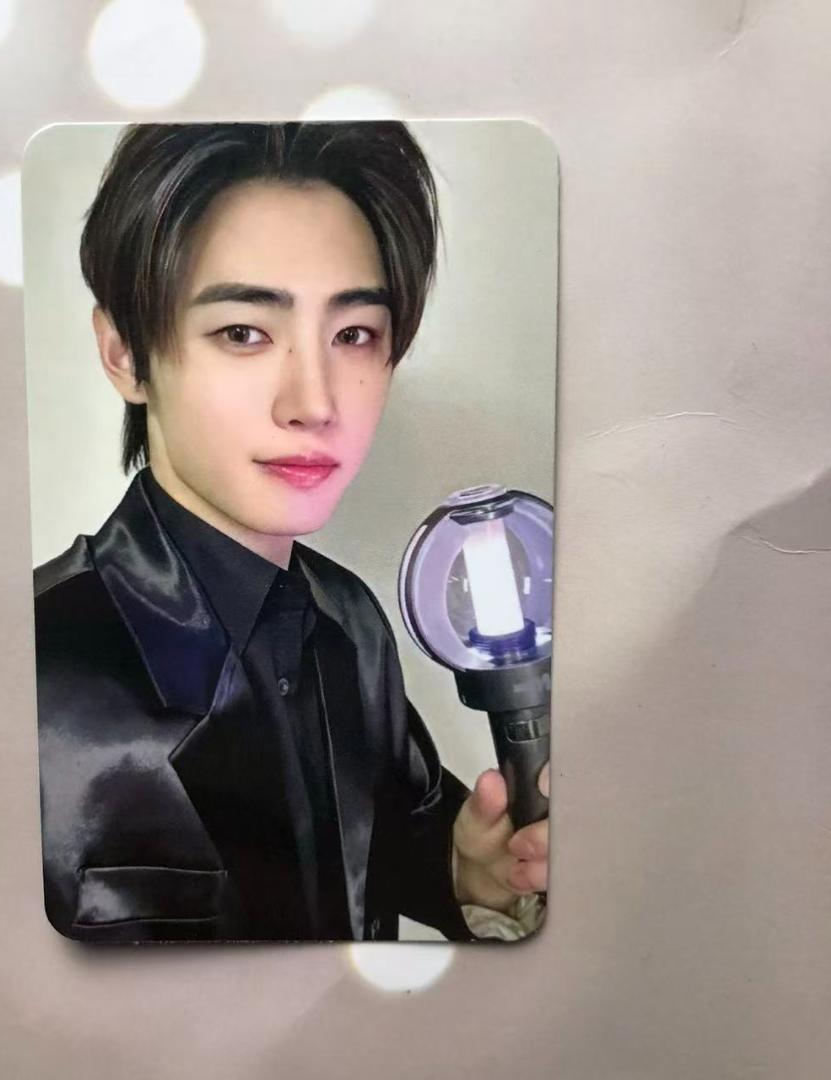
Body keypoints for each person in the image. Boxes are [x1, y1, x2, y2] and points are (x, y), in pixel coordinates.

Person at [34, 121, 548, 943]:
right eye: (244, 332)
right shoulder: (30, 666)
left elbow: (393, 840)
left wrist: (460, 870)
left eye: (354, 335)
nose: (314, 402)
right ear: (126, 353)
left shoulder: (350, 621)